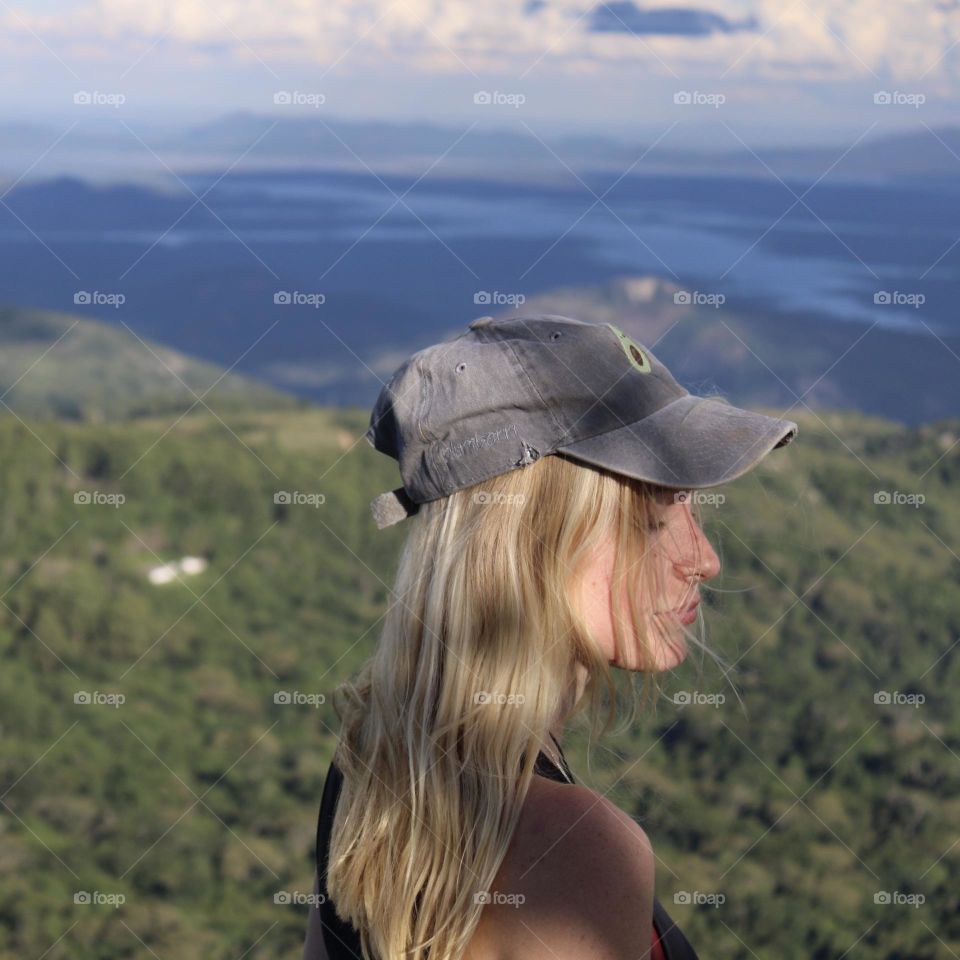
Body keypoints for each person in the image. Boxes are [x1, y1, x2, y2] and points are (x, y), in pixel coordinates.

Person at [302, 314, 799, 960]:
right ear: (533, 545)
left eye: (691, 508)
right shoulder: (580, 850)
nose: (704, 559)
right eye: (652, 521)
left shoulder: (371, 761)